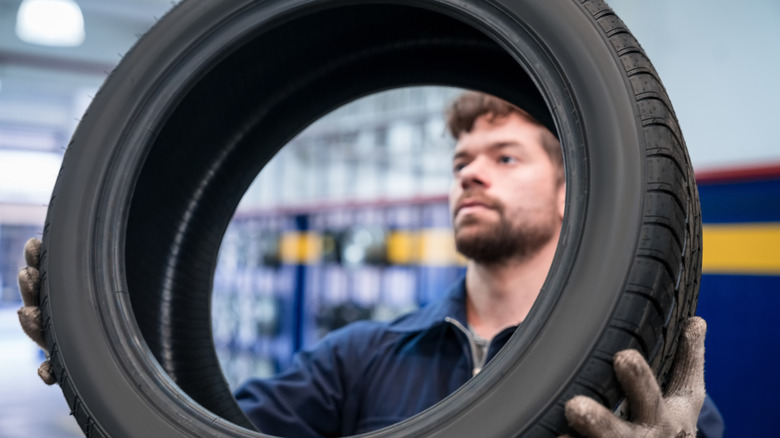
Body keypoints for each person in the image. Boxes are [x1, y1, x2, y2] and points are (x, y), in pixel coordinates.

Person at [18, 91, 723, 437]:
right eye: (460, 163)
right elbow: (191, 423)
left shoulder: (644, 391)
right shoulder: (358, 359)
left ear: (574, 192)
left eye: (505, 158)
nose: (471, 176)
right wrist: (100, 346)